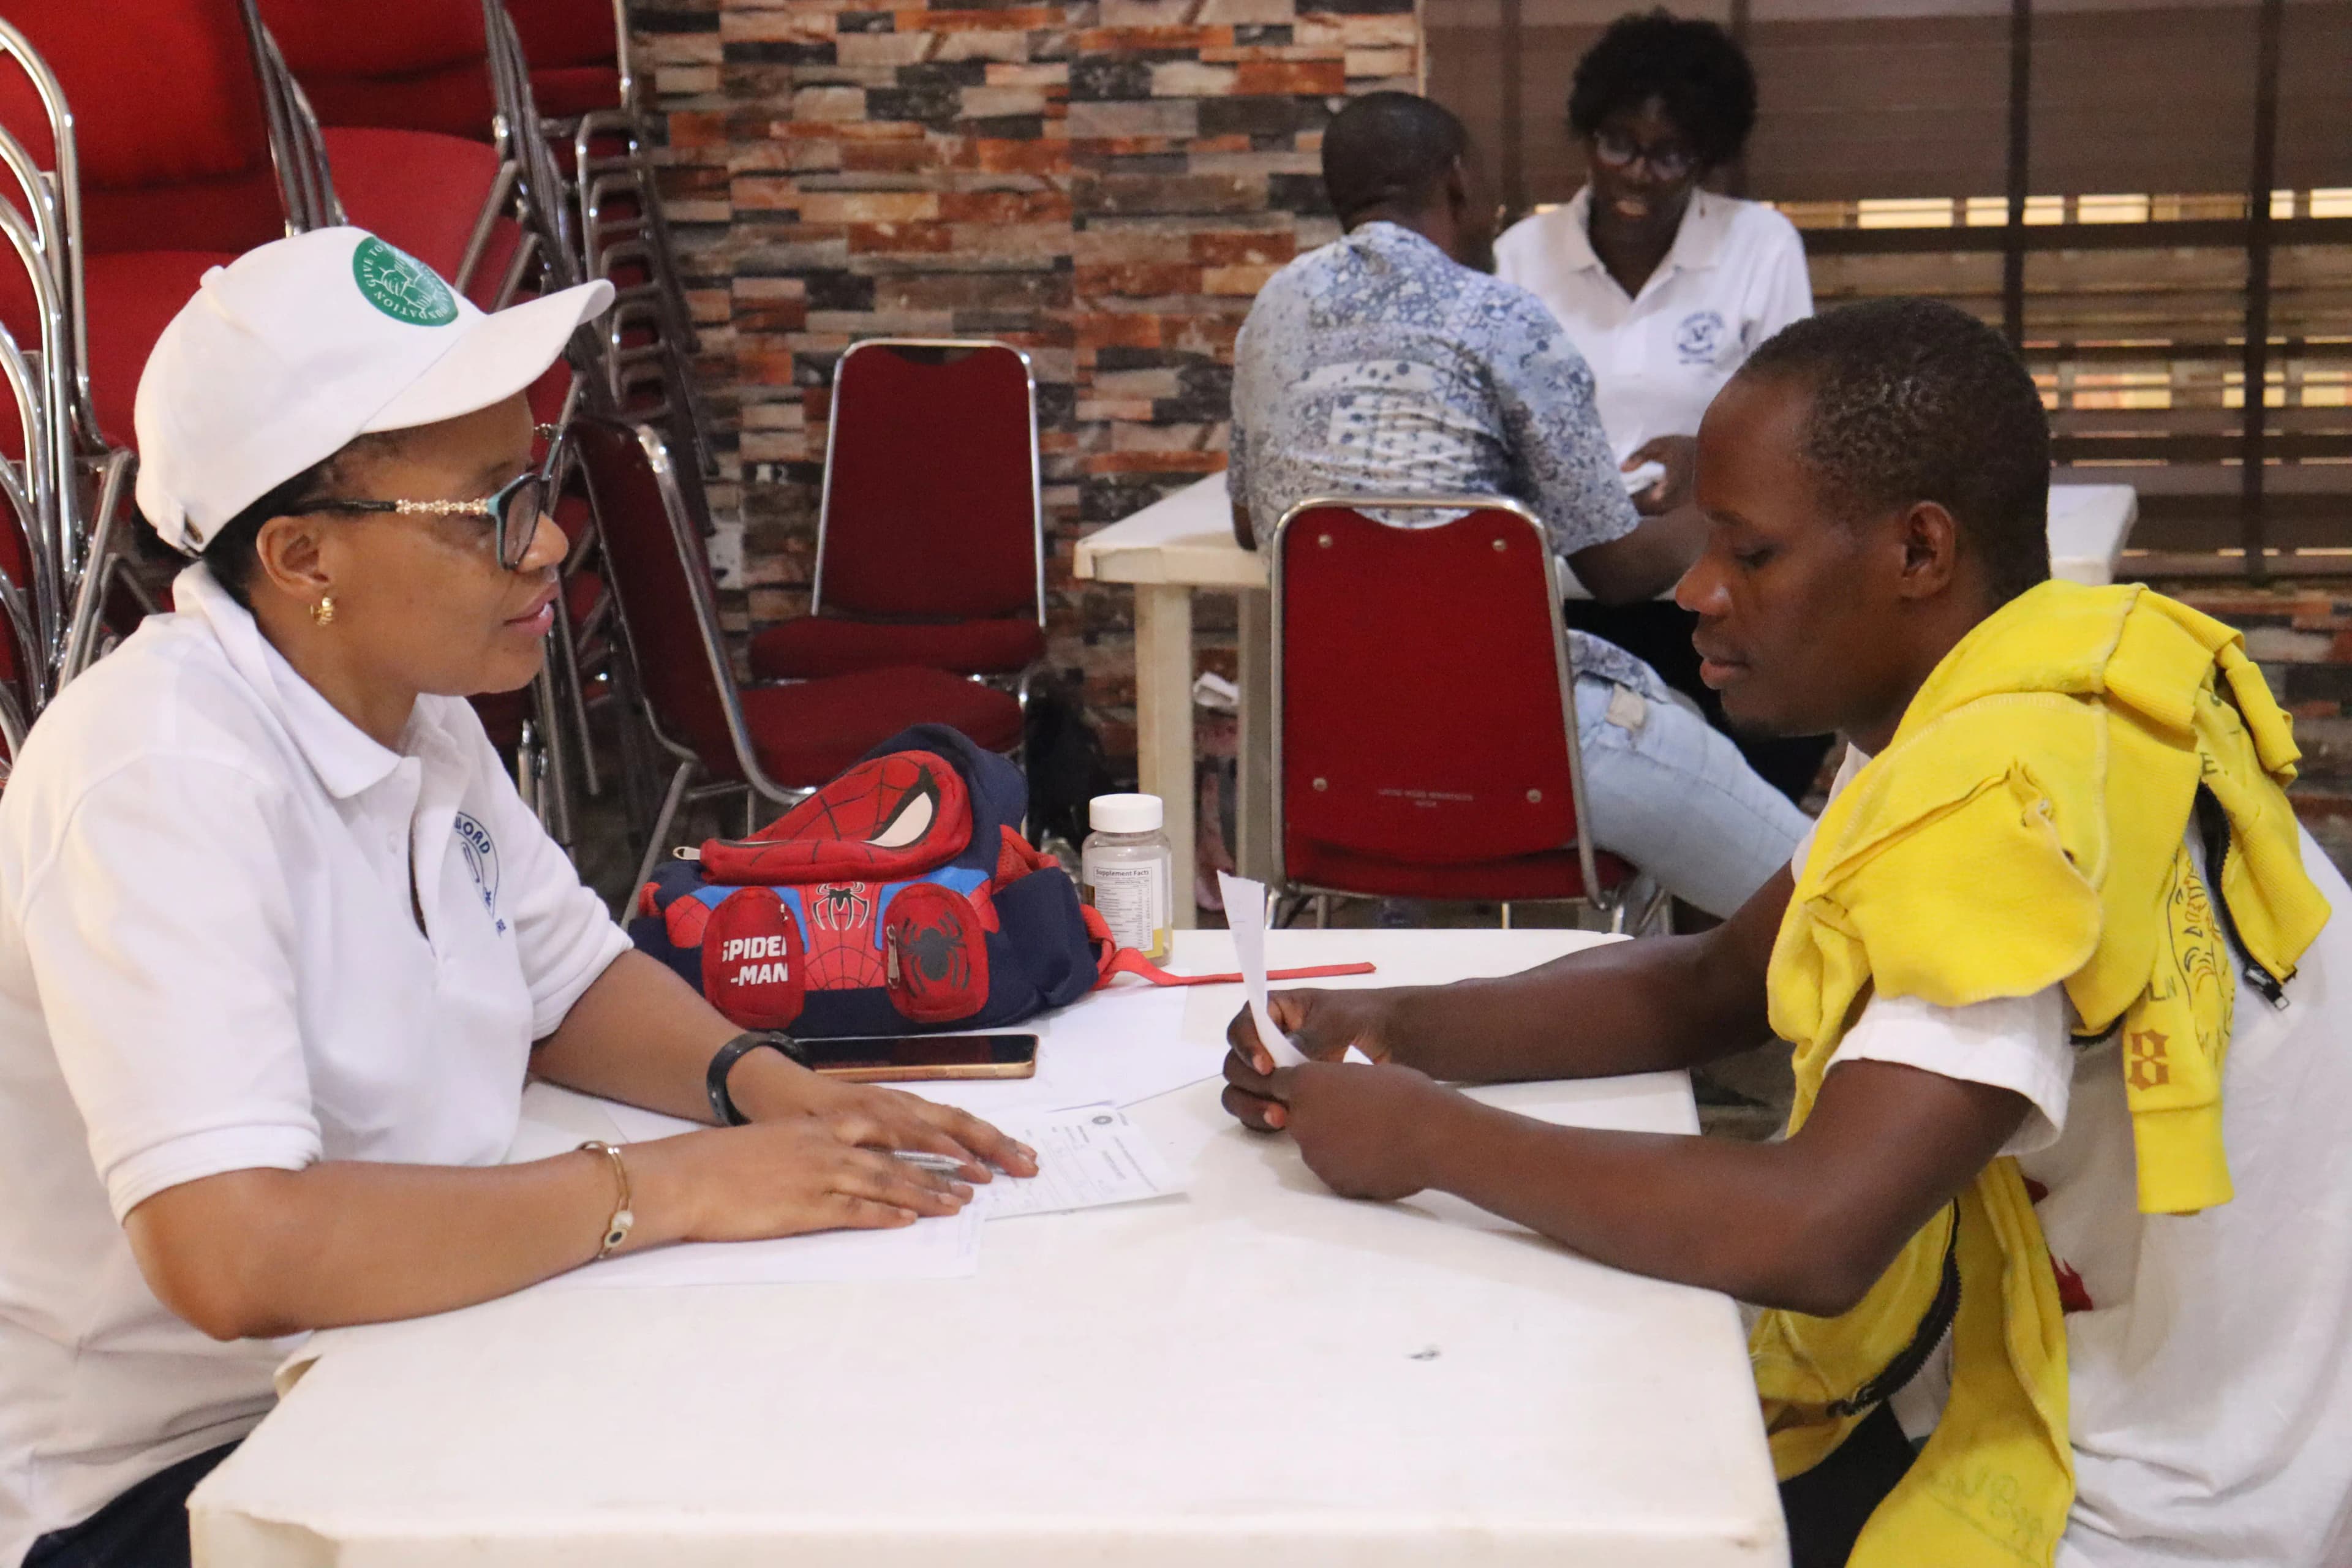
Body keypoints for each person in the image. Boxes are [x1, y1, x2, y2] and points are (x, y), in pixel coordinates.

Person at [1221, 299, 2352, 1568]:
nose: (1697, 591)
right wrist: (1398, 1026)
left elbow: (1816, 1229)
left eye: (1749, 553)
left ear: (1919, 551)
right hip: (2110, 1393)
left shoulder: (2009, 802)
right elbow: (1713, 984)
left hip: (2155, 1497)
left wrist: (1426, 1136)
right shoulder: (2016, 694)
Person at [0, 229, 1037, 1568]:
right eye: (489, 506)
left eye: (535, 482)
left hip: (410, 1357)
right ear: (307, 557)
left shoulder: (412, 708)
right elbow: (234, 1249)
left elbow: (569, 983)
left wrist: (769, 1087)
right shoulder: (160, 777)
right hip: (182, 1476)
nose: (547, 542)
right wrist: (663, 1188)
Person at [1227, 91, 1807, 919]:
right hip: (1520, 747)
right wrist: (1716, 501)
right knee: (1821, 897)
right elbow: (1614, 570)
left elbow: (1260, 523)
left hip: (1338, 760)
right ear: (1459, 183)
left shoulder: (1270, 315)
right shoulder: (1500, 316)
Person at [1494, 9, 1825, 799]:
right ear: (1587, 137)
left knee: (1786, 723)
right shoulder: (1521, 256)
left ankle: (1736, 896)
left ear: (1707, 160)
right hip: (1563, 593)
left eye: (1671, 154)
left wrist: (1708, 455)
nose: (1639, 173)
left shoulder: (1760, 246)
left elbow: (1801, 424)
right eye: (1619, 144)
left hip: (1710, 583)